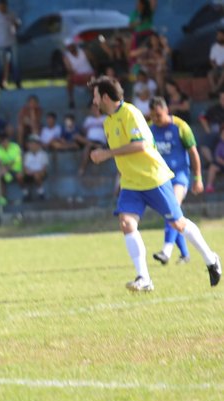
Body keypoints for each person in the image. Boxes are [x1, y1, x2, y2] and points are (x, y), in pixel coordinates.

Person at [88, 75, 221, 291]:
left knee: (178, 223)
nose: (93, 102)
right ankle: (144, 278)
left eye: (95, 97)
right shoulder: (108, 122)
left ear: (104, 97)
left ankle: (211, 258)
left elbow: (140, 145)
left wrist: (107, 153)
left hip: (153, 178)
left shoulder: (131, 113)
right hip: (131, 183)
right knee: (126, 223)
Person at [148, 97, 204, 266]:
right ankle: (185, 254)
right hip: (161, 178)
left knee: (173, 209)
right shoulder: (150, 129)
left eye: (158, 115)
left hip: (180, 176)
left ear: (166, 111)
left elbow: (193, 153)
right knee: (173, 214)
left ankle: (166, 250)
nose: (156, 119)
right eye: (152, 116)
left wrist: (198, 178)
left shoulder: (181, 127)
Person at [63, 39, 95, 109]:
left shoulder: (84, 52)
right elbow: (69, 70)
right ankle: (71, 100)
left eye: (71, 46)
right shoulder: (66, 57)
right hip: (78, 75)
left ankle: (93, 99)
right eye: (69, 47)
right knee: (69, 79)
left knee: (89, 79)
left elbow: (93, 60)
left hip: (89, 73)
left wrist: (95, 71)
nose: (71, 48)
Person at [22, 134, 49, 200]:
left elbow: (44, 169)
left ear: (38, 144)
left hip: (40, 173)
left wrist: (34, 173)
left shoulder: (43, 154)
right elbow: (25, 168)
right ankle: (25, 193)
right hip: (29, 173)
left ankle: (41, 192)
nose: (31, 145)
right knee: (19, 176)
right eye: (30, 143)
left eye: (33, 143)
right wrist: (29, 172)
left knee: (37, 175)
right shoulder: (27, 155)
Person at [208, 28, 224, 94]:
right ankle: (215, 89)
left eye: (220, 35)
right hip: (217, 67)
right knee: (210, 73)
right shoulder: (214, 47)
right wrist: (214, 66)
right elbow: (211, 60)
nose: (218, 37)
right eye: (217, 35)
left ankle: (215, 90)